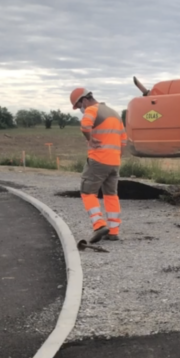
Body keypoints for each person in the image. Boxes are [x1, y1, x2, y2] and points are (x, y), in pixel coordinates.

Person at [70, 87, 125, 243]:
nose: (81, 109)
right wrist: (116, 156)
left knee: (87, 192)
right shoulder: (114, 113)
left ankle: (99, 225)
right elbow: (124, 140)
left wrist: (90, 139)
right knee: (111, 195)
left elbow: (85, 126)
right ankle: (113, 231)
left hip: (98, 160)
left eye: (79, 105)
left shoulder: (92, 109)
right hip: (114, 162)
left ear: (84, 100)